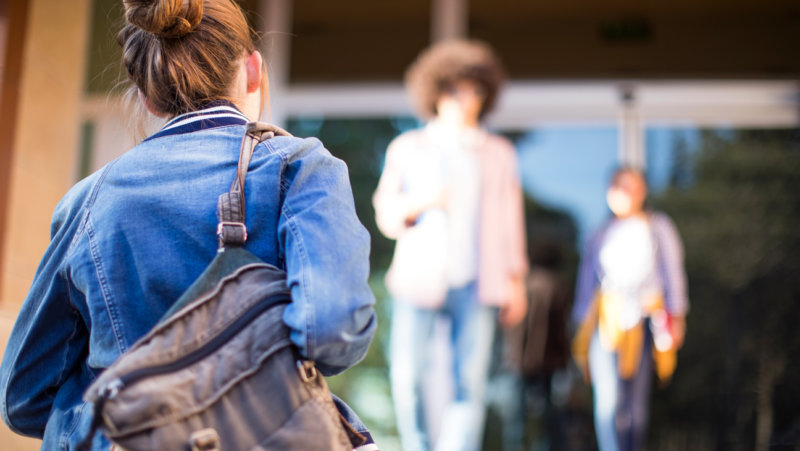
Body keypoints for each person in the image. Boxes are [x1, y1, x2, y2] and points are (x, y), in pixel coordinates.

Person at [0, 1, 377, 449]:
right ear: (253, 70)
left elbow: (24, 396)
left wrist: (125, 418)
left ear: (146, 96)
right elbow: (333, 330)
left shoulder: (86, 200)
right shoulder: (299, 167)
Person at [373, 39, 528, 451]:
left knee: (470, 382)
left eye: (474, 91)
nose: (465, 100)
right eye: (455, 90)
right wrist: (423, 201)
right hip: (417, 281)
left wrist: (517, 281)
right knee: (406, 377)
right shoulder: (407, 148)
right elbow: (386, 215)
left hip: (478, 281)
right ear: (435, 92)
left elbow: (511, 222)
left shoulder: (498, 153)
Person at [571, 167, 689, 451]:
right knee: (608, 399)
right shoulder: (599, 233)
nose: (623, 192)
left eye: (630, 186)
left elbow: (672, 273)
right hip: (606, 323)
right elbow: (586, 282)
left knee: (635, 403)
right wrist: (579, 323)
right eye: (618, 186)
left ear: (642, 191)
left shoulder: (658, 227)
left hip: (645, 321)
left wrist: (677, 316)